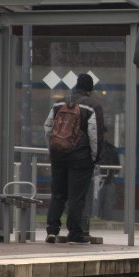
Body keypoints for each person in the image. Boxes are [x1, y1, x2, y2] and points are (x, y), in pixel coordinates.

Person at [44, 72, 105, 245]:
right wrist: (95, 157)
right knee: (76, 196)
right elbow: (95, 134)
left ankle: (52, 230)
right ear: (90, 89)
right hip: (81, 158)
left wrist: (52, 149)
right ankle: (75, 232)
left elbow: (48, 127)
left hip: (58, 155)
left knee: (58, 194)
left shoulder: (60, 103)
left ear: (76, 85)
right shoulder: (93, 106)